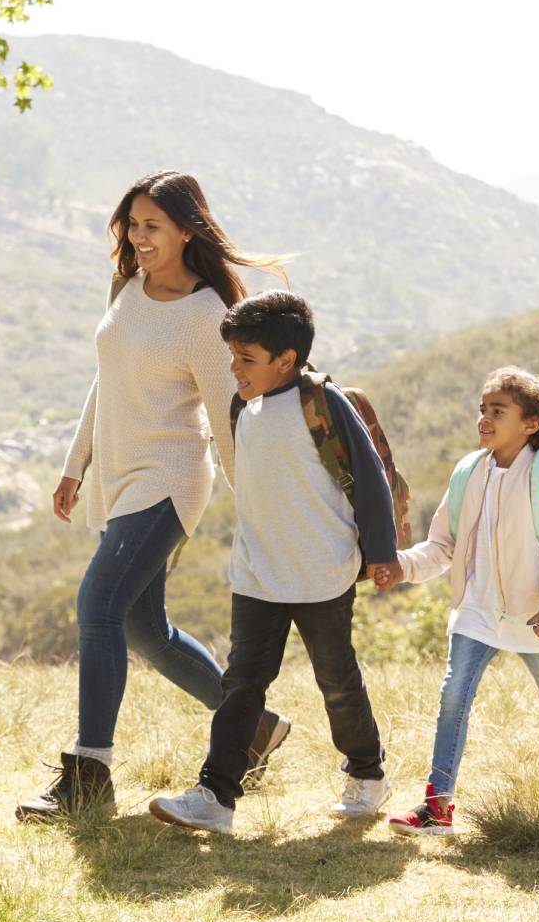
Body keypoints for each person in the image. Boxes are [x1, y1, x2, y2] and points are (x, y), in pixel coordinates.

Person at [18, 171, 293, 822]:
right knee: (145, 630)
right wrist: (74, 463)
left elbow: (228, 417)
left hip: (169, 478)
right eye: (132, 226)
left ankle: (88, 776)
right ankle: (252, 727)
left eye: (152, 228)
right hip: (117, 473)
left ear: (185, 231)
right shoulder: (127, 287)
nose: (139, 239)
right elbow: (107, 376)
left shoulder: (205, 316)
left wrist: (252, 502)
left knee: (98, 605)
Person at [148, 291, 397, 834]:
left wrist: (381, 555)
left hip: (321, 572)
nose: (234, 369)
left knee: (337, 680)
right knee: (242, 685)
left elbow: (372, 479)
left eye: (247, 359)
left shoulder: (324, 404)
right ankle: (216, 796)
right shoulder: (244, 406)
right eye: (232, 357)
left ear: (286, 360)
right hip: (258, 573)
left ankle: (368, 774)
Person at [379, 367, 539, 837]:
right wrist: (402, 566)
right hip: (476, 608)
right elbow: (443, 546)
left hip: (533, 613)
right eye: (482, 409)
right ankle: (438, 806)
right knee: (454, 696)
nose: (485, 419)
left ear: (531, 423)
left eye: (498, 411)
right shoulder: (469, 472)